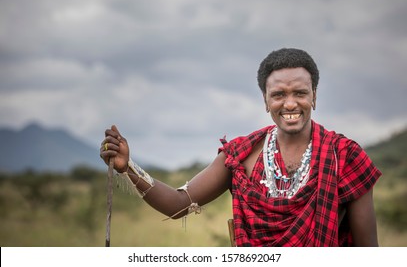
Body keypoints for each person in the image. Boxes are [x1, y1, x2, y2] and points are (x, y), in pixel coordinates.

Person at [100, 48, 382, 247]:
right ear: (265, 100)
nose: (290, 104)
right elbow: (177, 205)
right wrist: (129, 167)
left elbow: (368, 251)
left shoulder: (344, 156)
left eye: (300, 93)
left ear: (315, 97)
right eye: (279, 95)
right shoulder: (241, 155)